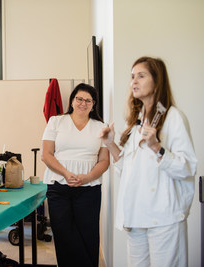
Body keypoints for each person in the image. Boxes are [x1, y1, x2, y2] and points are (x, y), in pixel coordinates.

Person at [100, 56, 197, 266]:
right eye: (132, 77)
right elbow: (127, 169)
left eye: (141, 76)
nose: (133, 81)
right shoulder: (138, 123)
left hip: (164, 219)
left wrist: (156, 146)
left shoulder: (173, 118)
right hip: (136, 216)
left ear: (157, 80)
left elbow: (187, 168)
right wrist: (110, 143)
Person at [41, 83, 109, 267]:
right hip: (58, 186)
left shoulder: (101, 127)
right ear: (72, 100)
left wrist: (87, 177)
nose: (83, 103)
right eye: (79, 99)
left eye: (88, 100)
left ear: (93, 105)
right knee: (64, 236)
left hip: (90, 188)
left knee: (88, 235)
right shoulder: (56, 121)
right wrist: (66, 173)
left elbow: (104, 161)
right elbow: (46, 154)